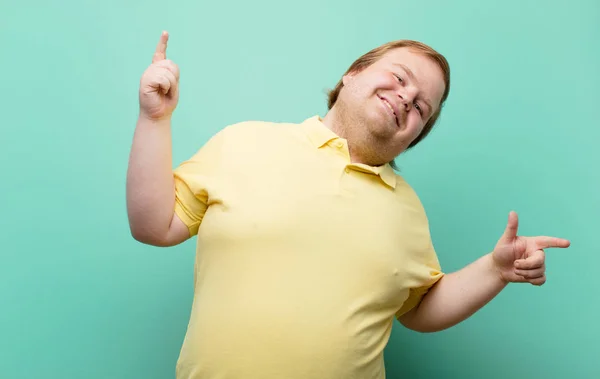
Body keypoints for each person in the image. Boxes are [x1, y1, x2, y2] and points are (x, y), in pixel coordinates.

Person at [126, 31, 571, 379]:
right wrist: (155, 119)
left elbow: (418, 308)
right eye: (399, 77)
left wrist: (494, 271)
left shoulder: (407, 210)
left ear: (415, 136)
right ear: (352, 74)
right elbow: (154, 226)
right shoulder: (244, 141)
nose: (405, 98)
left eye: (421, 108)